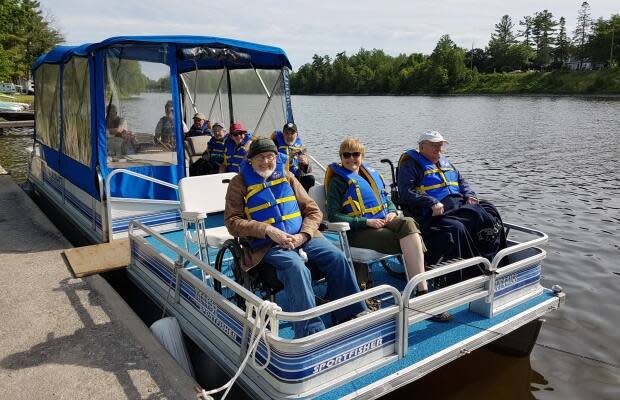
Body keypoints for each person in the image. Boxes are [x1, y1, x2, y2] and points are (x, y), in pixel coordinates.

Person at [225, 138, 367, 338]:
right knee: (296, 267)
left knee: (337, 257)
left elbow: (313, 211)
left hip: (303, 237)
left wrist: (304, 235)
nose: (266, 162)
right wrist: (267, 230)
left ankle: (351, 313)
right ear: (250, 160)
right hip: (268, 245)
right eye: (261, 157)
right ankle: (310, 331)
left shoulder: (288, 176)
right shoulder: (238, 183)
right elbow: (232, 222)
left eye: (271, 157)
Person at [325, 138, 453, 322]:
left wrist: (392, 213)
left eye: (356, 154)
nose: (351, 158)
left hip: (384, 220)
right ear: (341, 157)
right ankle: (423, 294)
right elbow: (334, 216)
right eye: (346, 155)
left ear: (362, 156)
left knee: (408, 222)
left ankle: (421, 291)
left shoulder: (367, 175)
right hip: (358, 231)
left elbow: (387, 200)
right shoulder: (338, 182)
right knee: (409, 238)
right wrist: (365, 222)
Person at [397, 130, 507, 280]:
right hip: (435, 212)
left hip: (459, 205)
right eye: (434, 145)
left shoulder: (445, 162)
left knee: (490, 211)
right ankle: (466, 274)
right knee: (458, 227)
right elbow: (406, 192)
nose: (439, 149)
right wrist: (431, 201)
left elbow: (462, 182)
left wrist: (470, 195)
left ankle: (494, 260)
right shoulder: (411, 165)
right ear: (422, 146)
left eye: (440, 145)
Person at [271, 122, 315, 192]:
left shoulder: (301, 148)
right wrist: (288, 158)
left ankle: (303, 201)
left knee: (310, 179)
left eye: (292, 133)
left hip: (297, 178)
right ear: (283, 134)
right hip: (281, 177)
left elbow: (308, 170)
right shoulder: (275, 146)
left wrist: (306, 164)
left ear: (297, 134)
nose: (289, 136)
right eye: (287, 133)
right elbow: (271, 164)